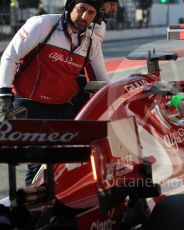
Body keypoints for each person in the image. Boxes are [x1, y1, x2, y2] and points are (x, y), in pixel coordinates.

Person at [0, 0, 109, 186]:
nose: (84, 16)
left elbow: (102, 81)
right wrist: (4, 96)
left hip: (63, 107)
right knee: (39, 164)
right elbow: (10, 56)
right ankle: (34, 208)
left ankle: (55, 207)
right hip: (30, 103)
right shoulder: (42, 24)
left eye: (91, 12)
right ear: (70, 6)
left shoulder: (91, 40)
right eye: (81, 9)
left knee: (60, 164)